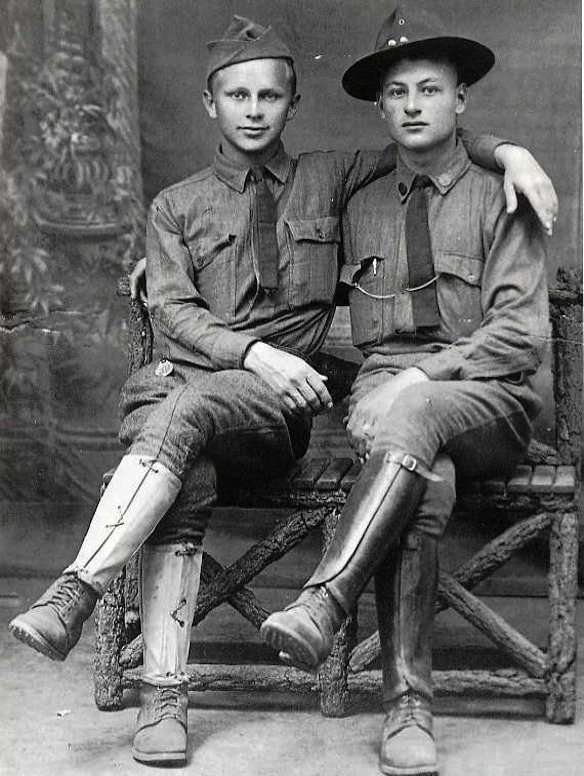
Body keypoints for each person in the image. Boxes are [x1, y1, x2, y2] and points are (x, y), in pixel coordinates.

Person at [9, 13, 555, 769]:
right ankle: (166, 698)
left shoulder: (333, 180)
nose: (255, 109)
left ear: (293, 106)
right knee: (192, 455)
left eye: (270, 95)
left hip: (282, 413)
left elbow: (433, 149)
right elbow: (169, 311)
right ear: (211, 103)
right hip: (196, 397)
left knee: (208, 411)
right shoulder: (179, 206)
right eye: (237, 95)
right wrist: (248, 346)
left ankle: (80, 589)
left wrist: (514, 152)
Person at [260, 7, 549, 776]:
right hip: (387, 398)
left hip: (492, 395)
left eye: (431, 88)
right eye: (396, 91)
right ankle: (407, 709)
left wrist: (422, 376)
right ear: (381, 108)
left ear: (463, 101)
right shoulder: (358, 198)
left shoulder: (503, 194)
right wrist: (165, 272)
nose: (414, 104)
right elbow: (254, 217)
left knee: (413, 415)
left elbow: (521, 338)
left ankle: (327, 598)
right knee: (427, 481)